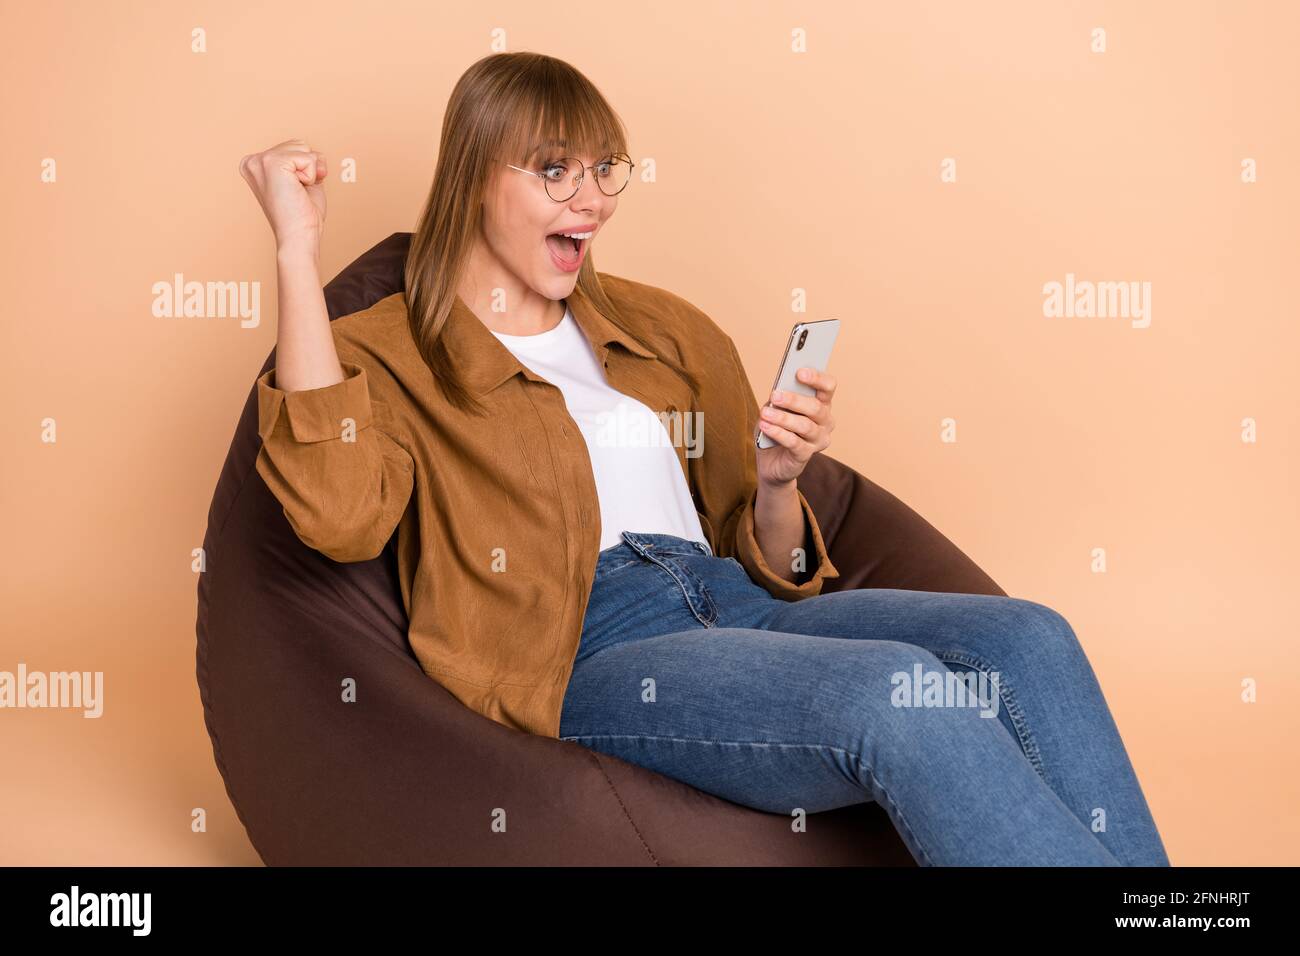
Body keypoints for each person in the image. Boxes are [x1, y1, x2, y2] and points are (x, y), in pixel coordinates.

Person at [239, 51, 1170, 867]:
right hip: (586, 649)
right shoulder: (385, 351)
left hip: (734, 606)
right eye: (556, 171)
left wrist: (776, 484)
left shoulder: (661, 331)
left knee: (1026, 637)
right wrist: (295, 247)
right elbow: (338, 514)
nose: (591, 198)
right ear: (475, 177)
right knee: (893, 695)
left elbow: (758, 549)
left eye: (605, 169)